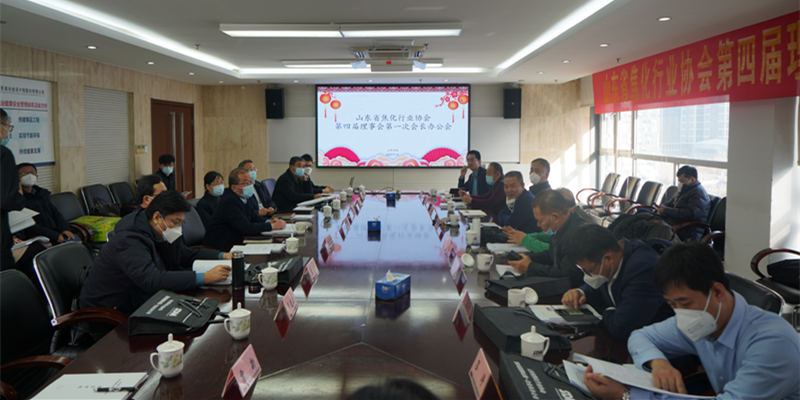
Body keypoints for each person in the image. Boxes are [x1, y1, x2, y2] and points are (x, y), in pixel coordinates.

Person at [583, 242, 800, 400]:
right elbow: (641, 336)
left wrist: (627, 396)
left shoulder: (772, 343)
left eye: (684, 303)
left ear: (717, 292)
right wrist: (658, 363)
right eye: (672, 304)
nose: (680, 313)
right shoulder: (705, 320)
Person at [79, 190, 231, 321]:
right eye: (176, 222)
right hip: (111, 314)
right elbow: (152, 280)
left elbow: (185, 255)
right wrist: (204, 277)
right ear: (158, 217)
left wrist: (223, 256)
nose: (179, 229)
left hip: (146, 301)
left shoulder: (163, 231)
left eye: (182, 223)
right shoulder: (129, 240)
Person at [561, 225, 673, 341]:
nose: (587, 276)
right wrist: (581, 292)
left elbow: (622, 328)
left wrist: (606, 310)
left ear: (608, 259)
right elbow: (599, 286)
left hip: (658, 342)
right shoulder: (613, 257)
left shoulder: (643, 271)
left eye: (589, 271)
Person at [508, 189, 587, 287]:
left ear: (555, 217)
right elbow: (553, 254)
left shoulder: (577, 235)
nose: (538, 224)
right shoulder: (562, 225)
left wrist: (530, 267)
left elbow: (566, 275)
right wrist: (529, 258)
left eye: (540, 220)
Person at [203, 168, 286, 250]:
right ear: (234, 187)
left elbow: (254, 216)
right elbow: (246, 228)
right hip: (220, 246)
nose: (250, 185)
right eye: (246, 183)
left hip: (236, 240)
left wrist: (268, 221)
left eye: (251, 182)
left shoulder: (243, 196)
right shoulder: (229, 201)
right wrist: (272, 226)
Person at [17, 163, 76, 244]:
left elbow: (55, 213)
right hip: (40, 238)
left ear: (36, 176)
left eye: (32, 173)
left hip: (55, 233)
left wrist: (65, 229)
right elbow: (27, 225)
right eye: (24, 173)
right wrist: (53, 235)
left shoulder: (41, 194)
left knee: (84, 246)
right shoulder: (16, 199)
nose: (29, 176)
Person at [656, 166, 711, 242]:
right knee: (645, 218)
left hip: (688, 230)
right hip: (675, 224)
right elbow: (671, 203)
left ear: (692, 179)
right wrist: (661, 208)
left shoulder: (698, 193)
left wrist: (665, 211)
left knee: (652, 229)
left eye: (682, 181)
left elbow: (690, 214)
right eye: (679, 181)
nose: (680, 184)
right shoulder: (686, 190)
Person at [0, 108, 25, 269]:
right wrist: (19, 196)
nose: (8, 131)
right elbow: (6, 199)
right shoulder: (3, 154)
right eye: (8, 126)